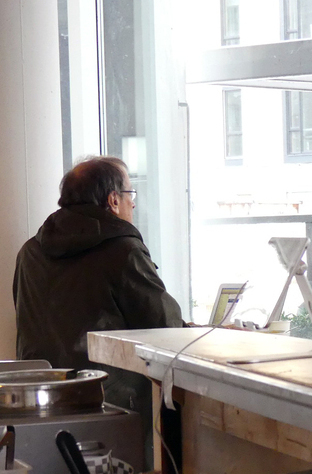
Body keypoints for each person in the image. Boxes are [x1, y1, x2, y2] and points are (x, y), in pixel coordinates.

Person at [12, 156, 183, 466]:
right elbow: (165, 326)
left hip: (41, 411)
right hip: (112, 411)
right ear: (113, 200)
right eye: (130, 194)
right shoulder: (122, 250)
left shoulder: (29, 252)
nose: (134, 204)